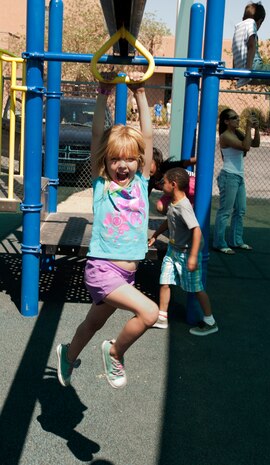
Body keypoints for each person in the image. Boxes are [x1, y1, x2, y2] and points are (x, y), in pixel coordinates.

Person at [56, 72, 159, 390]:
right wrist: (103, 93)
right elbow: (98, 134)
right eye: (115, 159)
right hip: (102, 270)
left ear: (140, 161)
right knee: (150, 312)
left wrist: (140, 92)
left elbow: (149, 137)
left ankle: (67, 355)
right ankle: (115, 353)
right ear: (106, 162)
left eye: (129, 159)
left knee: (92, 323)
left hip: (126, 274)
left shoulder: (142, 184)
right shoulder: (102, 186)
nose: (122, 165)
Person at [148, 167, 218, 336]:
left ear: (173, 185)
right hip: (173, 250)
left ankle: (210, 321)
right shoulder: (173, 202)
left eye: (163, 182)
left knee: (196, 288)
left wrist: (193, 256)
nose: (160, 185)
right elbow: (169, 220)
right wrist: (156, 235)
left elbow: (196, 230)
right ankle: (162, 317)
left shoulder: (184, 206)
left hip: (186, 253)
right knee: (164, 281)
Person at [213, 108, 260, 255]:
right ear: (226, 121)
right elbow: (246, 146)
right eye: (234, 118)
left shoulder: (237, 134)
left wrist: (256, 129)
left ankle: (236, 241)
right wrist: (247, 127)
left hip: (238, 177)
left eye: (238, 117)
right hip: (229, 176)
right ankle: (219, 243)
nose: (238, 120)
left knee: (240, 210)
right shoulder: (225, 136)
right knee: (225, 211)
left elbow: (255, 144)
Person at [149, 147, 196, 214]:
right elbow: (144, 196)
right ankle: (175, 217)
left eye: (149, 163)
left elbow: (184, 163)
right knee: (160, 207)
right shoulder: (149, 179)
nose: (146, 167)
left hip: (189, 183)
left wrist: (200, 158)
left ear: (158, 163)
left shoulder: (166, 167)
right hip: (176, 191)